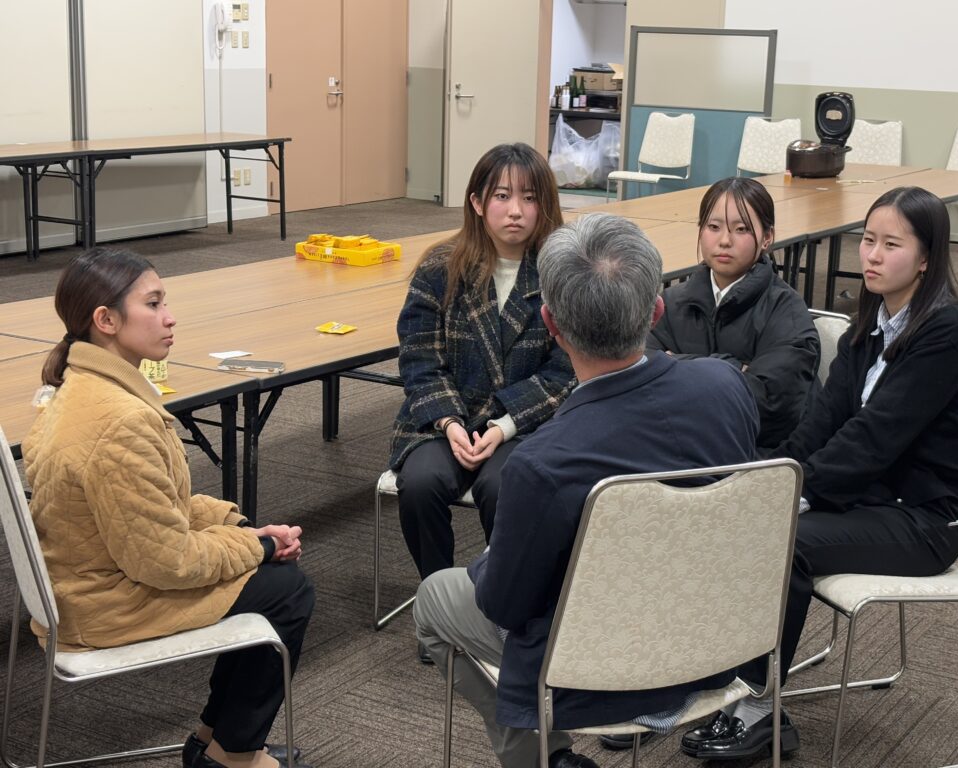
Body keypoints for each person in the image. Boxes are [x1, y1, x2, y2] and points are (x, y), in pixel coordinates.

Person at [414, 213, 760, 768]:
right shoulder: (728, 386)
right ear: (657, 310)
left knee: (436, 596)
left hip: (597, 667)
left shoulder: (542, 462)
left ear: (550, 323)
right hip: (718, 640)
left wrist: (493, 560)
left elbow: (504, 606)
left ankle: (547, 758)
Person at [685, 186, 958, 761]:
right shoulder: (870, 321)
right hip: (869, 500)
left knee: (785, 541)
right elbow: (820, 423)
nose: (871, 255)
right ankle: (714, 682)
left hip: (926, 519)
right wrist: (767, 479)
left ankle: (759, 710)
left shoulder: (946, 331)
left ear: (925, 258)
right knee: (744, 513)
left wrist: (791, 496)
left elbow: (873, 441)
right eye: (868, 240)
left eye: (891, 245)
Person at [21, 248, 315, 768]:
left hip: (82, 584)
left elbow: (156, 506)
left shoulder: (77, 388)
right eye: (153, 304)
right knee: (287, 592)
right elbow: (167, 562)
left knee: (266, 576)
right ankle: (232, 754)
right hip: (103, 604)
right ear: (106, 320)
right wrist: (260, 547)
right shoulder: (119, 420)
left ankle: (214, 740)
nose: (170, 317)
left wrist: (240, 529)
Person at [388, 143, 575, 638]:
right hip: (441, 420)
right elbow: (419, 358)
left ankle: (503, 608)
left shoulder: (560, 271)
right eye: (502, 196)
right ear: (476, 202)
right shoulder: (440, 267)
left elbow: (565, 371)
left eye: (529, 198)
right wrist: (449, 422)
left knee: (506, 487)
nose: (516, 211)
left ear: (545, 205)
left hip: (524, 425)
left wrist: (504, 425)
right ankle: (437, 605)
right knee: (420, 484)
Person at [647, 176, 820, 448]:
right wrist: (734, 368)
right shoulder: (670, 302)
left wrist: (675, 363)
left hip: (754, 457)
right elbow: (639, 372)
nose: (725, 240)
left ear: (767, 237)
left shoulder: (786, 312)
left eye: (741, 229)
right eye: (713, 227)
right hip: (677, 446)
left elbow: (770, 407)